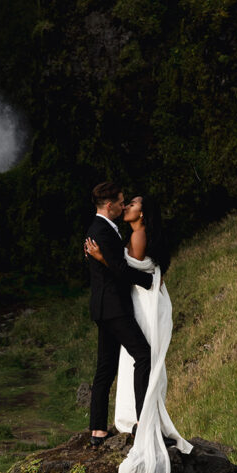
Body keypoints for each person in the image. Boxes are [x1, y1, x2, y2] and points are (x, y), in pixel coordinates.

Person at [86, 193, 193, 473]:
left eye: (131, 203)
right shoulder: (123, 230)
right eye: (123, 202)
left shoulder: (136, 233)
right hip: (135, 301)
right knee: (134, 359)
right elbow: (130, 268)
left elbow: (133, 270)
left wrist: (102, 257)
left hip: (143, 301)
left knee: (141, 357)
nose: (127, 206)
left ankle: (141, 417)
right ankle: (132, 417)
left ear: (141, 212)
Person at [84, 181, 154, 449]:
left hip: (103, 307)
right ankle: (142, 422)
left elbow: (110, 265)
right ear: (110, 205)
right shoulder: (102, 231)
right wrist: (149, 281)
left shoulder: (99, 229)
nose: (124, 206)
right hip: (114, 308)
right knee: (143, 355)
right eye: (122, 202)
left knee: (105, 367)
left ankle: (98, 430)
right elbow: (120, 269)